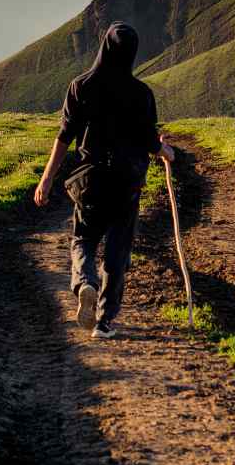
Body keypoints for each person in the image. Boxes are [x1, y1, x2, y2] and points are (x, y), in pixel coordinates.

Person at [33, 21, 174, 339]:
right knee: (117, 250)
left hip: (90, 180)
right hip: (127, 182)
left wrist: (46, 180)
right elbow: (150, 141)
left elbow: (64, 137)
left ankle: (85, 282)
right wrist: (167, 152)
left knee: (83, 238)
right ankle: (104, 322)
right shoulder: (141, 94)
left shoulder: (80, 86)